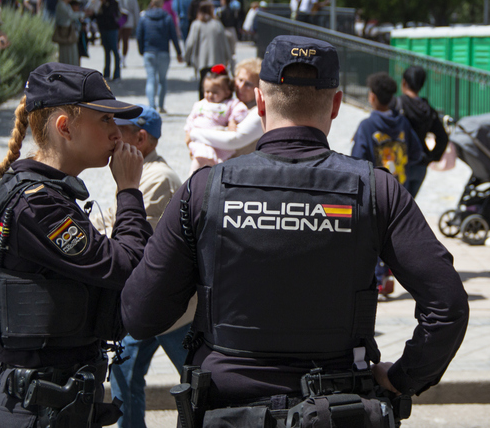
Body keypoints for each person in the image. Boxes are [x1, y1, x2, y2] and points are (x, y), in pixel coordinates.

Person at [121, 35, 469, 427]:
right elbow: (447, 306)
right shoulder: (376, 190)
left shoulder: (205, 189)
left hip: (226, 409)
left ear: (260, 101)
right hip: (340, 409)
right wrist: (403, 377)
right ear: (336, 105)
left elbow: (140, 314)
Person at [0, 63, 151, 427]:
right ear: (65, 127)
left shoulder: (44, 193)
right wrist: (129, 190)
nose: (118, 134)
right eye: (105, 122)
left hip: (55, 401)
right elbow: (127, 266)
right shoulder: (38, 204)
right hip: (37, 407)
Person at [89, 106, 190, 428]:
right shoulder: (139, 173)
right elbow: (108, 219)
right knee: (123, 378)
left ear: (141, 137)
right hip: (145, 303)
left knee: (197, 385)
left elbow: (121, 234)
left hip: (173, 312)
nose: (112, 136)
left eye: (118, 128)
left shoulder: (158, 177)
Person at [351, 71, 423, 295]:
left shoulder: (366, 126)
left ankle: (380, 280)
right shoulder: (402, 123)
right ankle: (389, 276)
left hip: (375, 190)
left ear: (372, 97)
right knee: (391, 234)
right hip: (399, 189)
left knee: (373, 237)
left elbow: (357, 159)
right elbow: (417, 153)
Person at [392, 66, 449, 197]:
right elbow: (443, 137)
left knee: (393, 210)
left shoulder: (397, 104)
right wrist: (430, 157)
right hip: (420, 166)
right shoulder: (428, 109)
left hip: (400, 165)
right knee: (407, 209)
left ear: (404, 82)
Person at [189, 58, 264, 158]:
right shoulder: (228, 104)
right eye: (240, 80)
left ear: (259, 87)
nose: (241, 87)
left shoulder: (259, 111)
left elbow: (233, 140)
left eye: (248, 84)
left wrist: (194, 134)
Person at [185, 65, 248, 172]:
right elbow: (191, 119)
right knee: (200, 159)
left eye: (214, 92)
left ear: (227, 92)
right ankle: (192, 180)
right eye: (207, 91)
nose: (210, 95)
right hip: (199, 140)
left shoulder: (229, 104)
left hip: (215, 139)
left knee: (212, 165)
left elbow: (241, 109)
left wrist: (232, 120)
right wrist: (188, 132)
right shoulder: (200, 104)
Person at [136, 0, 183, 113]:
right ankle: (161, 106)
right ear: (162, 3)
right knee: (162, 80)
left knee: (151, 80)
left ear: (152, 2)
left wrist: (142, 50)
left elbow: (139, 35)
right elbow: (173, 36)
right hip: (163, 52)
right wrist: (178, 52)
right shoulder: (167, 17)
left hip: (149, 52)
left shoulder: (144, 17)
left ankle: (152, 106)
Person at [185, 1, 232, 79]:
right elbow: (225, 43)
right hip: (217, 60)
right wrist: (228, 57)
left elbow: (190, 43)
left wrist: (187, 57)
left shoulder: (196, 24)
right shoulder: (217, 24)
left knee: (203, 83)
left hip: (202, 60)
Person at [96, 0, 121, 81]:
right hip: (104, 29)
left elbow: (109, 15)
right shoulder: (102, 3)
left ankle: (117, 74)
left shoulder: (113, 3)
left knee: (115, 51)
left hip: (112, 29)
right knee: (106, 51)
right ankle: (106, 73)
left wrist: (104, 5)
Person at [54, 0, 83, 66]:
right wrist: (83, 14)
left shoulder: (67, 5)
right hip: (64, 33)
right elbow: (71, 15)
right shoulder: (61, 5)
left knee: (72, 53)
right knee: (66, 54)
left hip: (69, 31)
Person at [117, 0, 141, 68]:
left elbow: (135, 9)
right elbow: (136, 9)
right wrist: (137, 22)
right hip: (125, 18)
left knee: (121, 39)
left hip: (123, 18)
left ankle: (121, 57)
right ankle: (121, 57)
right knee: (123, 40)